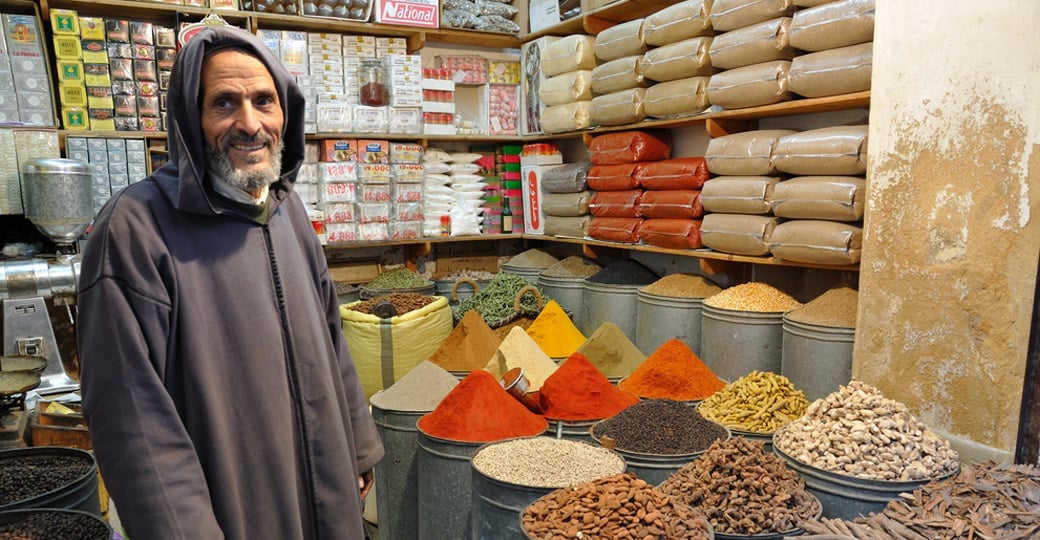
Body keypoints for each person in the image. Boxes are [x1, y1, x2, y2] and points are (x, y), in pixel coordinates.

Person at [77, 26, 384, 539]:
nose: (250, 123)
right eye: (224, 103)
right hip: (231, 510)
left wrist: (355, 445)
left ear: (286, 112)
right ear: (190, 120)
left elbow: (333, 341)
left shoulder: (287, 211)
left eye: (264, 101)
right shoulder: (135, 230)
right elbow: (131, 417)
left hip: (324, 489)